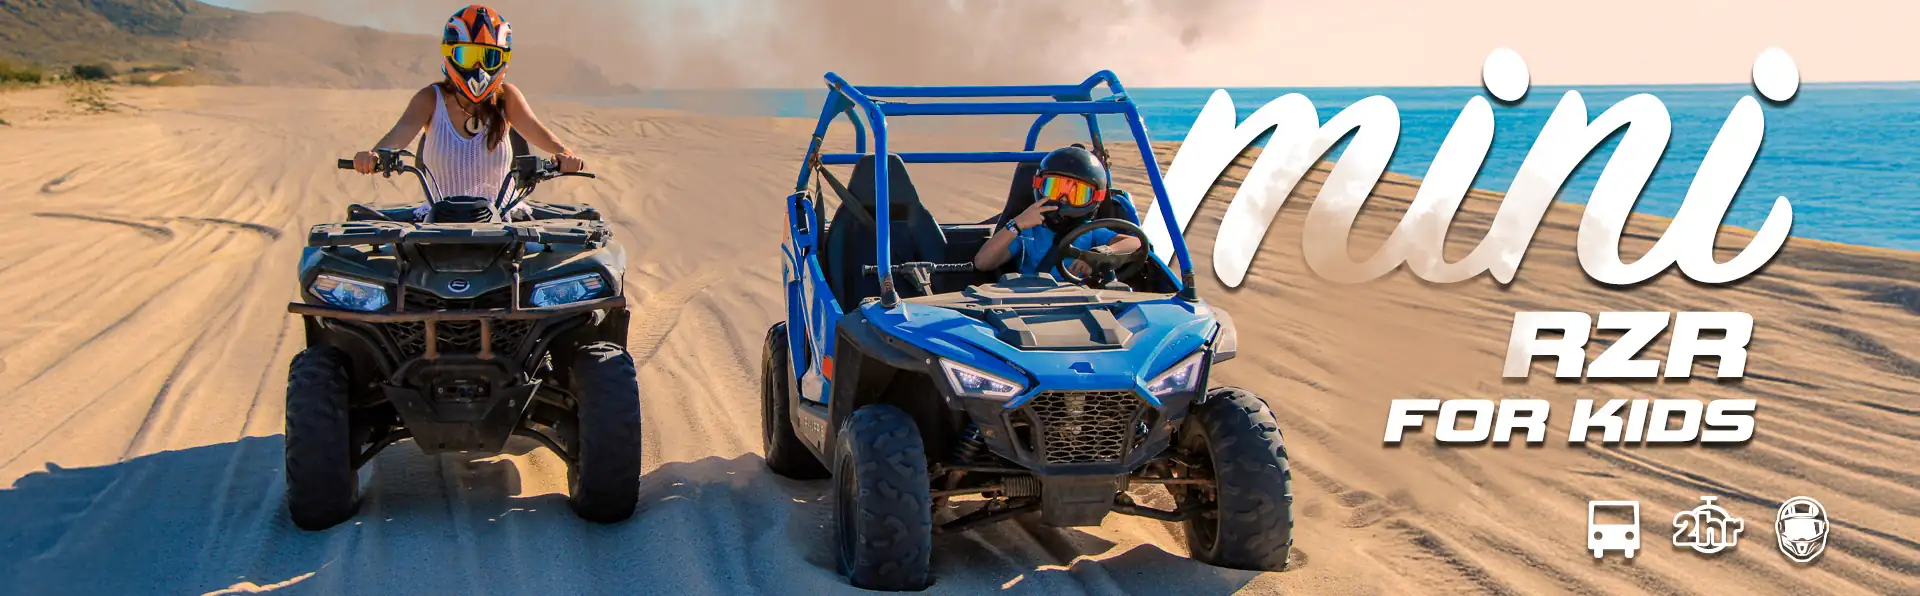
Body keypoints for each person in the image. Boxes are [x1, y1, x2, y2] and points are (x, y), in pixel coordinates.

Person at [349, 4, 584, 219]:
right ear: (451, 54)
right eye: (468, 56)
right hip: (439, 219)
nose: (478, 68)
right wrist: (375, 155)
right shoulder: (431, 98)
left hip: (503, 219)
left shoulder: (507, 97)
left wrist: (564, 154)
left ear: (503, 59)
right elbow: (401, 132)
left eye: (490, 57)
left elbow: (533, 127)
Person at [973, 145, 1143, 279]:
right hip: (1026, 300)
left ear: (1096, 197)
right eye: (1055, 188)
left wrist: (1098, 255)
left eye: (1077, 194)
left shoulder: (1091, 232)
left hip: (1078, 303)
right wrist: (1017, 224)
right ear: (1039, 186)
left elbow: (1136, 243)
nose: (1063, 199)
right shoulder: (1028, 230)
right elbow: (983, 262)